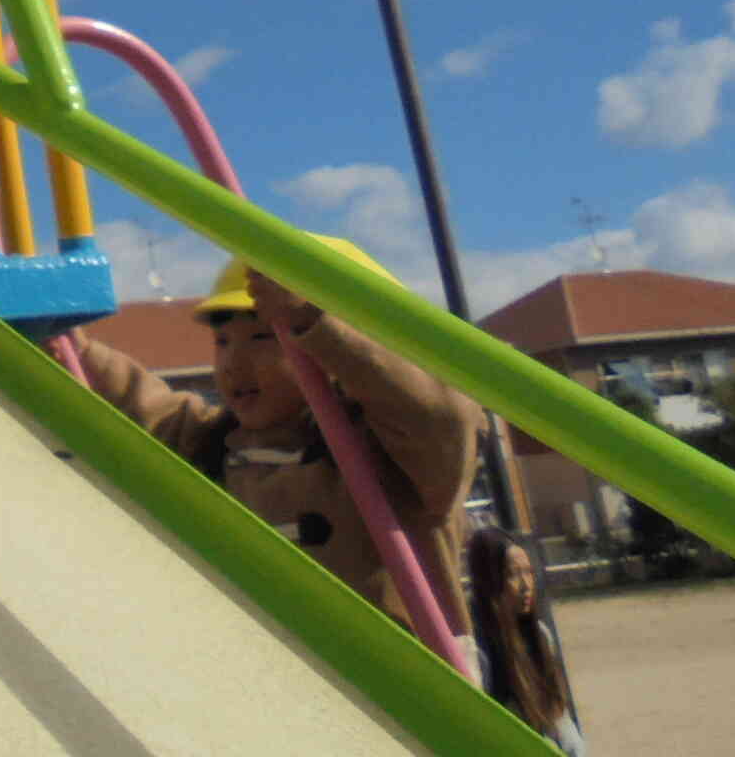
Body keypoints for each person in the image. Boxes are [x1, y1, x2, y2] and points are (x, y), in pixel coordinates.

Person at [64, 237, 483, 641]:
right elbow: (145, 403)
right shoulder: (219, 442)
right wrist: (75, 347)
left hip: (406, 693)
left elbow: (441, 416)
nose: (232, 364)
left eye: (263, 337)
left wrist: (317, 327)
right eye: (223, 341)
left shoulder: (396, 453)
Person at [467, 526, 586, 754]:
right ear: (489, 581)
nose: (526, 586)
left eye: (529, 572)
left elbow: (561, 722)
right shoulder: (478, 655)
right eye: (512, 574)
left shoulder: (540, 636)